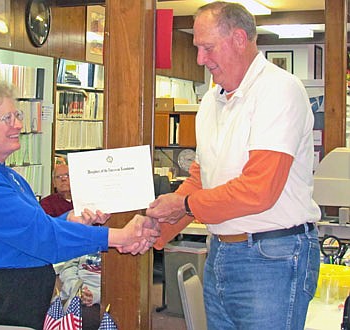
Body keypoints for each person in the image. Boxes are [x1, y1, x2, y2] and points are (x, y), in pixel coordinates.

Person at [146, 2, 321, 330]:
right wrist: (158, 230)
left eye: (207, 47)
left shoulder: (278, 90)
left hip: (273, 257)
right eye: (198, 48)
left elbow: (259, 191)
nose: (200, 59)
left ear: (240, 39)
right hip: (221, 253)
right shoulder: (212, 100)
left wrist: (183, 204)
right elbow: (202, 177)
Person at [0, 79, 160, 330]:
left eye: (16, 115)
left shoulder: (6, 175)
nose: (18, 124)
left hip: (12, 301)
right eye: (6, 118)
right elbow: (42, 237)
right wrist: (118, 237)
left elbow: (37, 227)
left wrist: (71, 219)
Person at [40, 164, 101, 330]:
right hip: (63, 252)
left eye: (67, 175)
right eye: (59, 177)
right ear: (53, 183)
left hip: (88, 251)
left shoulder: (87, 201)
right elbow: (48, 233)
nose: (63, 179)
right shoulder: (46, 203)